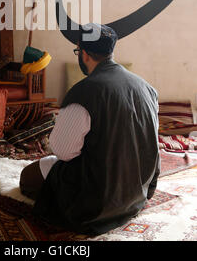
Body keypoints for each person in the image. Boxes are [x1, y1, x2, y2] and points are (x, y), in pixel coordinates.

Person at [19, 24, 160, 236]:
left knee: (27, 176)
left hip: (96, 203)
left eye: (78, 51)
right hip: (135, 191)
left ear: (83, 54)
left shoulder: (83, 92)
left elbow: (63, 152)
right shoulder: (147, 88)